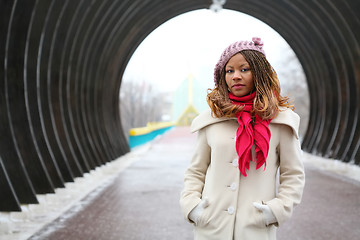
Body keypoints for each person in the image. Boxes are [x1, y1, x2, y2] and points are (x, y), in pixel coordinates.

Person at [179, 37, 305, 240]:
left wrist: (276, 210)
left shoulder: (281, 122)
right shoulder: (211, 120)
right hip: (211, 228)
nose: (236, 76)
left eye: (244, 69)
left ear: (260, 73)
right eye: (229, 71)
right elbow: (196, 171)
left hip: (255, 229)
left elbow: (293, 175)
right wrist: (192, 206)